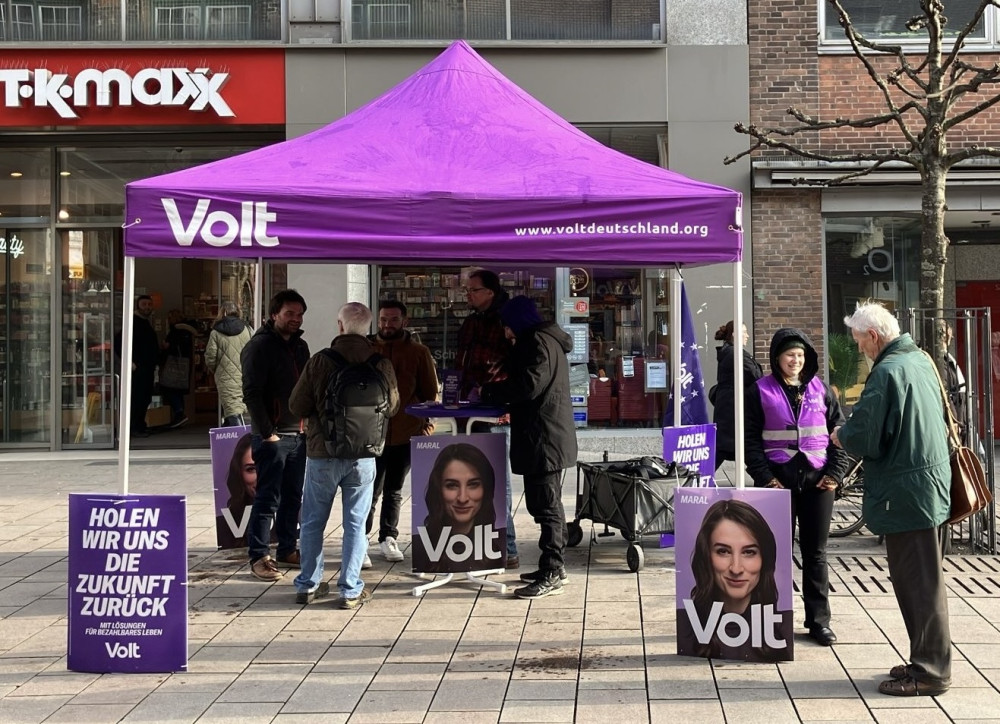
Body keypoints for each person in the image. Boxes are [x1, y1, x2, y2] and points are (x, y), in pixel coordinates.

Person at [832, 301, 952, 697]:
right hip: (926, 487)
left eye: (859, 342)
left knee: (917, 583)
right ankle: (925, 659)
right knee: (925, 581)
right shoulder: (918, 359)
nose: (860, 351)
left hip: (906, 494)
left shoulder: (887, 372)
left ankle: (931, 671)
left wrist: (841, 435)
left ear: (874, 336)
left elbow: (866, 436)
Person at [289, 302, 399, 609]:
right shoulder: (381, 363)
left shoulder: (319, 361)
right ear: (367, 328)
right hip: (364, 455)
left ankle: (309, 585)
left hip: (322, 453)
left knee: (312, 521)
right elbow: (392, 407)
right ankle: (350, 589)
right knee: (355, 521)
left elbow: (296, 406)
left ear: (340, 326)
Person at [745, 328, 848, 647]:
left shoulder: (821, 390)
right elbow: (748, 440)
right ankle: (773, 621)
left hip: (819, 481)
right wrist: (765, 478)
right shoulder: (759, 390)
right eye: (790, 355)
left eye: (801, 356)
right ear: (777, 357)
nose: (795, 360)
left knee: (816, 553)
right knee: (773, 555)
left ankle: (819, 622)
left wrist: (835, 473)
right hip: (778, 481)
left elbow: (841, 431)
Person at [481, 295, 577, 599]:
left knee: (547, 506)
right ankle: (554, 567)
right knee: (545, 504)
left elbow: (529, 385)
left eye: (508, 326)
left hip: (544, 437)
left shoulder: (537, 342)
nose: (506, 332)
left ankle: (552, 571)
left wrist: (492, 391)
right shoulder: (545, 340)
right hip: (545, 435)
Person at [241, 289, 310, 582]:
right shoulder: (259, 347)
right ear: (274, 315)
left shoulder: (301, 346)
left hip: (299, 433)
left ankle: (287, 548)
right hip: (273, 436)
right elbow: (252, 393)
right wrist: (267, 432)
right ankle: (259, 556)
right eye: (289, 314)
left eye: (299, 314)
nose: (295, 319)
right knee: (268, 497)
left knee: (293, 496)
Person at [454, 269, 520, 568]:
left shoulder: (505, 320)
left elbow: (516, 366)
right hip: (468, 408)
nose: (468, 294)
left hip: (496, 411)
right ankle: (475, 543)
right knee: (471, 478)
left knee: (496, 480)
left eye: (473, 290)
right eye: (467, 290)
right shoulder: (471, 321)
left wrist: (503, 399)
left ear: (490, 292)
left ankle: (506, 547)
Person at [677, 498, 791, 661]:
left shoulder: (783, 627)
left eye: (749, 552)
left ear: (764, 559)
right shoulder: (686, 629)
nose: (736, 568)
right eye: (723, 551)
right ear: (706, 556)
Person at [368, 300, 438, 562]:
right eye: (384, 319)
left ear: (404, 321)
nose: (387, 325)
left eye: (393, 319)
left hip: (405, 431)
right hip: (371, 432)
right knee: (369, 489)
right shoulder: (367, 348)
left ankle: (388, 536)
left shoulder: (419, 352)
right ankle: (361, 539)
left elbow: (430, 392)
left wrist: (424, 423)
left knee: (394, 489)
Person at [412, 443, 503, 573]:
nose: (462, 498)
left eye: (473, 485)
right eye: (452, 485)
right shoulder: (420, 547)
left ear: (486, 489)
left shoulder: (502, 543)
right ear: (438, 490)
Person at [711, 321, 763, 472]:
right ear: (734, 334)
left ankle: (697, 478)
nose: (747, 335)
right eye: (744, 332)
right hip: (734, 412)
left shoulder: (731, 352)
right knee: (746, 449)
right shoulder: (736, 354)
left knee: (727, 448)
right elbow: (756, 377)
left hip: (730, 410)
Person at [115, 294, 160, 437]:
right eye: (144, 304)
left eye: (149, 304)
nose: (147, 307)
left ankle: (140, 425)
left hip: (147, 368)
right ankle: (133, 428)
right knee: (136, 398)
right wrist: (129, 361)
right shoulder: (133, 322)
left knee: (145, 397)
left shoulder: (146, 322)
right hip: (138, 368)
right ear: (137, 306)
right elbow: (118, 342)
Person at [206, 301, 252, 427]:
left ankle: (238, 440)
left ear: (222, 313)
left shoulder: (215, 332)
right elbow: (255, 351)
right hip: (246, 375)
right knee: (242, 408)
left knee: (232, 410)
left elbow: (210, 357)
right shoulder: (247, 329)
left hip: (225, 378)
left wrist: (216, 370)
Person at [216, 433, 256, 549]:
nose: (261, 477)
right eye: (251, 469)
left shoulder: (299, 521)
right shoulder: (224, 526)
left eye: (267, 465)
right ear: (239, 473)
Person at [160, 309, 199, 429]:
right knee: (178, 390)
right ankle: (180, 413)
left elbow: (170, 346)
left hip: (174, 364)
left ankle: (179, 412)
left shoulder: (175, 331)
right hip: (186, 363)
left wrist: (165, 347)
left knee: (169, 388)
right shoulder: (188, 331)